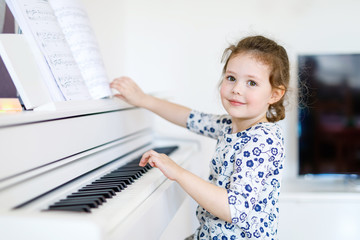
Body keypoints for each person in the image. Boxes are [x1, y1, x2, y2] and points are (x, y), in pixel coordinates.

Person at [110, 35, 290, 240]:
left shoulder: (262, 139)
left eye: (251, 83)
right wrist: (143, 99)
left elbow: (235, 209)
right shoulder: (229, 125)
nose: (237, 89)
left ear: (275, 94)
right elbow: (190, 118)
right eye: (231, 78)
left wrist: (178, 172)